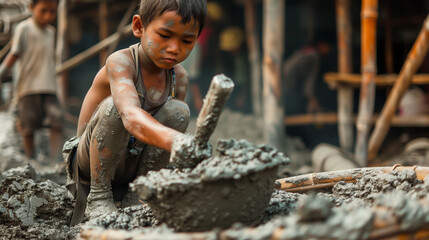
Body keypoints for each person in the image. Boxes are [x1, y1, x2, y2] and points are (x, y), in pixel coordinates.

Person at [62, 0, 210, 224]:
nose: (174, 48)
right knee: (115, 108)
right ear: (139, 26)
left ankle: (139, 194)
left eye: (187, 40)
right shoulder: (121, 63)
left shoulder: (178, 78)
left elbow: (167, 134)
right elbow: (130, 116)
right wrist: (178, 141)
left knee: (179, 111)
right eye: (164, 35)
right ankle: (99, 197)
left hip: (133, 161)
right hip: (91, 163)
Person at [0, 0, 63, 164]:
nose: (48, 15)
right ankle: (31, 160)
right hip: (28, 87)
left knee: (56, 121)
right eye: (43, 11)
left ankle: (54, 161)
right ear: (31, 8)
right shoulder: (24, 28)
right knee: (28, 126)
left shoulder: (51, 32)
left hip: (49, 86)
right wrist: (1, 72)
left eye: (52, 11)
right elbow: (14, 55)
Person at [283, 42, 331, 115]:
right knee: (294, 108)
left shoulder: (307, 52)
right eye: (327, 46)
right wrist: (312, 99)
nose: (328, 50)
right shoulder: (315, 56)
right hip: (289, 82)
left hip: (283, 77)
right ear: (321, 45)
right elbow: (309, 84)